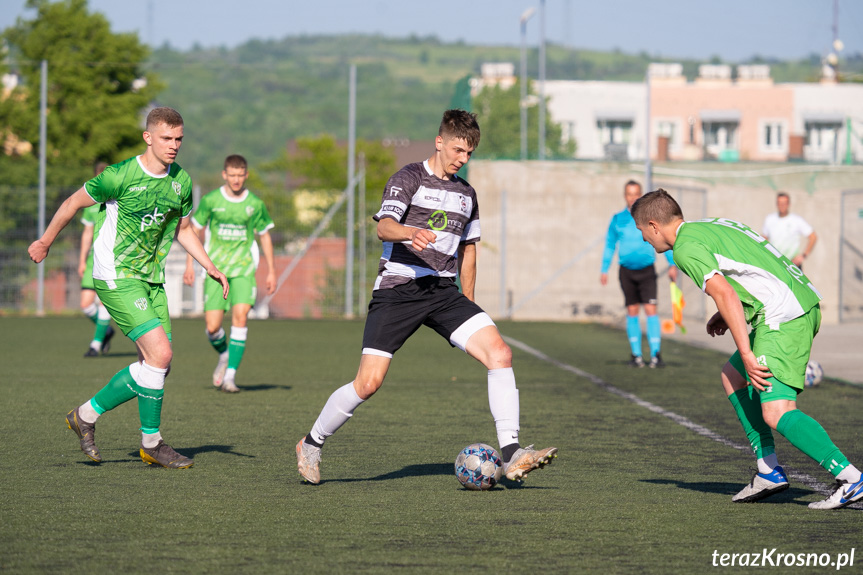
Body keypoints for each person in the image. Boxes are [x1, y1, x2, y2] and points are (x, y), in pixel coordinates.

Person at [295, 109, 558, 484]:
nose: (462, 159)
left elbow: (469, 250)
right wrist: (408, 233)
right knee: (368, 383)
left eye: (469, 153)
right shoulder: (409, 177)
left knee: (500, 353)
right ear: (439, 142)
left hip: (442, 291)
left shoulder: (467, 194)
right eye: (457, 150)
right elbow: (383, 228)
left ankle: (512, 452)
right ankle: (311, 442)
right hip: (399, 288)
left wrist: (467, 304)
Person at [631, 189, 863, 510]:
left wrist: (748, 351)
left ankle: (851, 478)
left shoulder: (684, 249)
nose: (644, 239)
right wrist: (729, 311)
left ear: (654, 225)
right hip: (793, 304)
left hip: (783, 317)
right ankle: (768, 470)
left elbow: (724, 292)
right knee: (732, 376)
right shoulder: (712, 225)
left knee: (776, 411)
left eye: (642, 231)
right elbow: (750, 268)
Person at [28, 107, 229, 469]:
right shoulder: (119, 176)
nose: (174, 145)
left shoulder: (180, 181)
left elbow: (184, 230)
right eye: (166, 138)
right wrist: (45, 241)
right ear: (148, 137)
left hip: (151, 277)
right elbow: (74, 202)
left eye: (179, 139)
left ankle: (85, 416)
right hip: (116, 275)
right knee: (161, 355)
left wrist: (209, 266)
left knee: (156, 366)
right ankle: (151, 443)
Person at [183, 154, 276, 393]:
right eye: (231, 175)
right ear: (224, 175)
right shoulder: (211, 200)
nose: (236, 180)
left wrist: (271, 271)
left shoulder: (255, 204)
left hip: (244, 270)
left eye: (240, 175)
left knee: (241, 317)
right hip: (216, 271)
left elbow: (264, 235)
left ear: (246, 175)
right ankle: (225, 355)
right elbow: (193, 231)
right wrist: (189, 265)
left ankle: (230, 378)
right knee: (213, 327)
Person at [600, 180, 677, 368]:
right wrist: (604, 269)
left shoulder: (650, 219)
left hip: (647, 271)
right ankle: (636, 355)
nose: (633, 197)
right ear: (624, 196)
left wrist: (672, 264)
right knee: (632, 311)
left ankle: (656, 355)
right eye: (629, 193)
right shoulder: (618, 219)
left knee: (651, 311)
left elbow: (663, 241)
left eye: (636, 194)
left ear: (641, 195)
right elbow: (610, 244)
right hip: (626, 272)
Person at [78, 161, 115, 357]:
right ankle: (106, 330)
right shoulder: (91, 203)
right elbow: (87, 233)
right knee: (85, 304)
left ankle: (96, 344)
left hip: (111, 260)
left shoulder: (118, 200)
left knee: (102, 303)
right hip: (93, 259)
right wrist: (82, 260)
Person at [762, 192, 817, 270]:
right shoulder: (769, 219)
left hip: (792, 265)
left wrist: (804, 255)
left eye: (784, 203)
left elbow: (813, 237)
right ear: (776, 204)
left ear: (788, 204)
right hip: (775, 264)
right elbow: (764, 238)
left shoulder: (796, 220)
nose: (782, 206)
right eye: (780, 203)